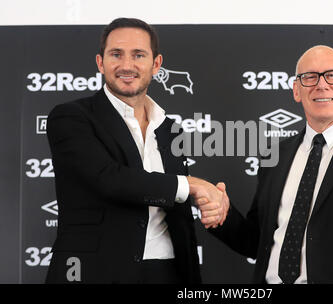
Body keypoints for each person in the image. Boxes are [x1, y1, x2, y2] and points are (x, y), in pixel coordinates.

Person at [200, 45, 333, 283]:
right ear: (296, 90)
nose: (321, 84)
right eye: (309, 77)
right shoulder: (274, 156)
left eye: (332, 75)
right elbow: (257, 241)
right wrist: (222, 215)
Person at [45, 17, 227, 284]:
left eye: (138, 55)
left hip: (169, 272)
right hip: (92, 272)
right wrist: (192, 185)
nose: (126, 65)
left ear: (156, 65)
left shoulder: (170, 129)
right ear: (100, 62)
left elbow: (174, 203)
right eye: (116, 54)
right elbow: (109, 179)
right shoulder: (71, 117)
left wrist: (213, 203)